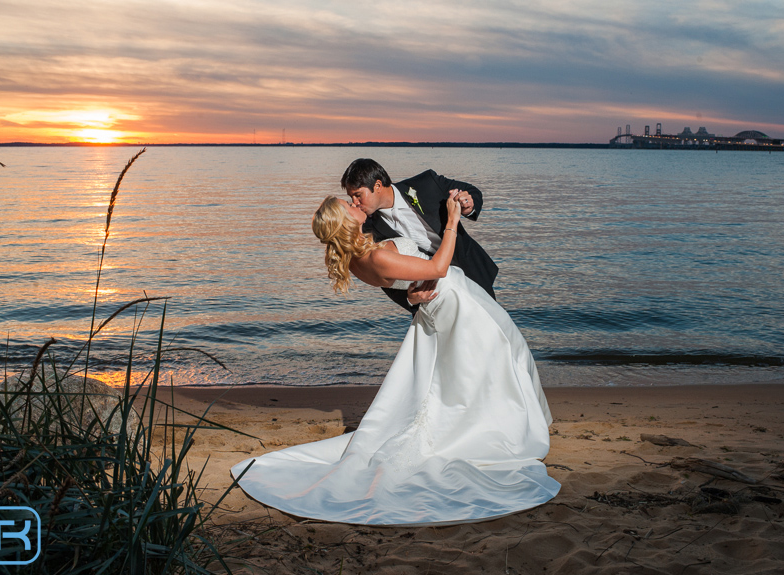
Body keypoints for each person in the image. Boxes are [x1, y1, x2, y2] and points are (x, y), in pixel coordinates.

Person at [230, 193, 559, 526]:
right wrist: (452, 221)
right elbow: (438, 268)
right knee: (495, 360)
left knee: (481, 367)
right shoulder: (372, 258)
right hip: (456, 304)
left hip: (447, 303)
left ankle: (503, 424)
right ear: (345, 222)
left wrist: (412, 295)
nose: (354, 203)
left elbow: (408, 282)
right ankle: (503, 433)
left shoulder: (359, 256)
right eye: (348, 205)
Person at [341, 158, 498, 313]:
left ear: (377, 185)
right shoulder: (368, 231)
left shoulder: (426, 183)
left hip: (473, 274)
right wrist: (409, 299)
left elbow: (472, 192)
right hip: (437, 300)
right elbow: (385, 275)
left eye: (358, 195)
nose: (354, 202)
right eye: (351, 197)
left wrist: (468, 206)